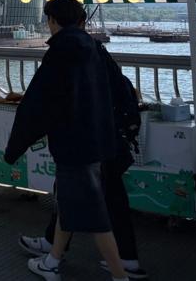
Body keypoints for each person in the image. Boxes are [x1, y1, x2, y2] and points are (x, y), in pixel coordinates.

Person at [4, 0, 128, 281]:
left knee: (94, 215)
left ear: (52, 20)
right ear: (80, 20)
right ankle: (52, 260)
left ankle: (120, 276)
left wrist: (14, 148)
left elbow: (37, 105)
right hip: (98, 139)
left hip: (74, 145)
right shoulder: (94, 48)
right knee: (70, 201)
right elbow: (117, 86)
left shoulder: (60, 52)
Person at [19, 27, 147, 279]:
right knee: (83, 196)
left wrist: (19, 142)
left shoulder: (70, 52)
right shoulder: (95, 50)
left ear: (54, 21)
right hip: (106, 138)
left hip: (87, 143)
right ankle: (56, 252)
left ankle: (120, 269)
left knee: (94, 204)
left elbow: (46, 99)